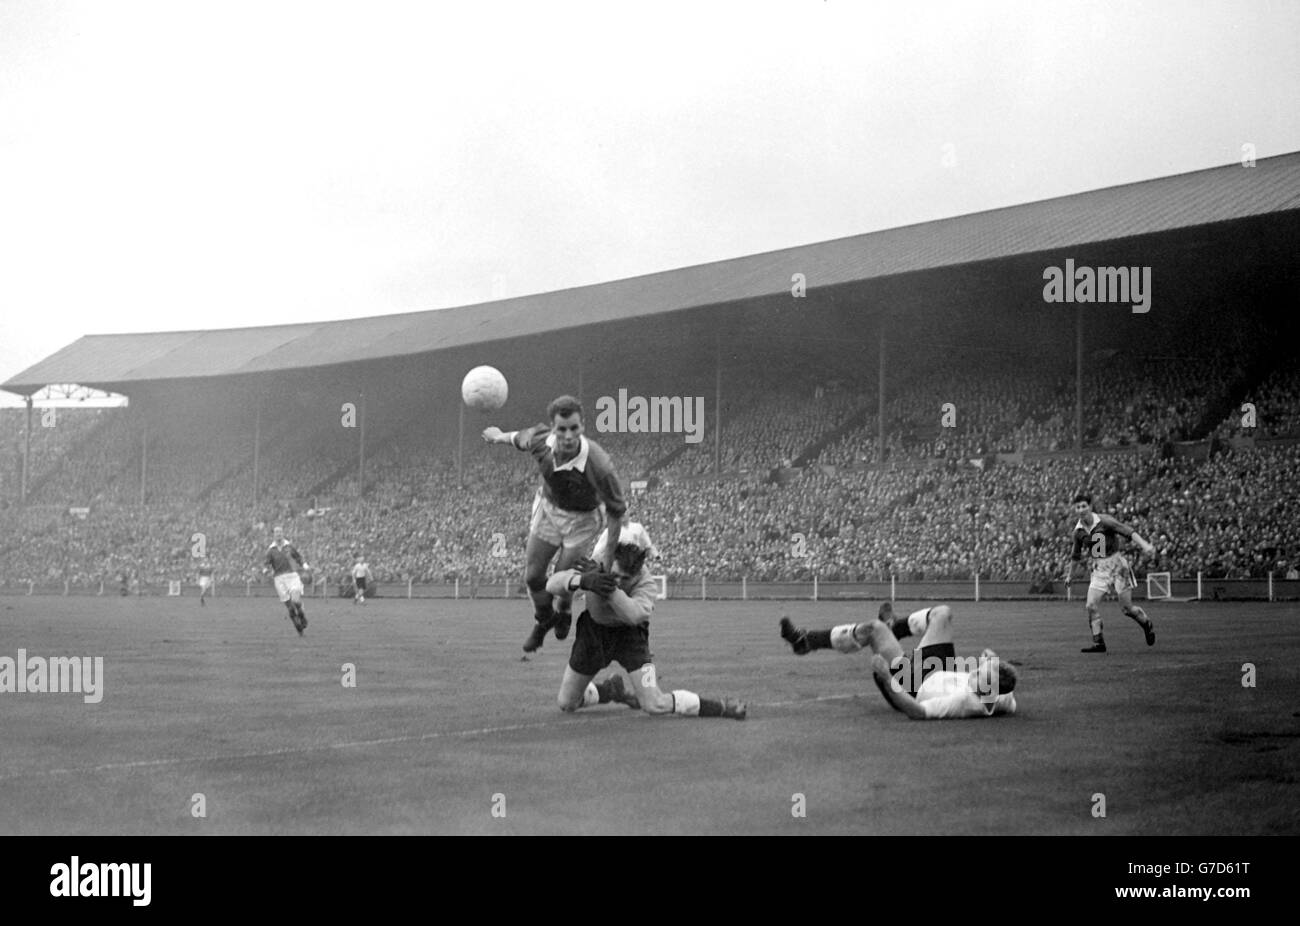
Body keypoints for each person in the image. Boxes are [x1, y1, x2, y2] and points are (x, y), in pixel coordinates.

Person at [549, 522, 747, 720]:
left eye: (624, 578)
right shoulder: (598, 564)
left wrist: (608, 587)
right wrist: (583, 581)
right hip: (592, 634)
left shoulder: (646, 583)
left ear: (638, 571)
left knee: (655, 703)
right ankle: (610, 691)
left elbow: (633, 616)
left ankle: (720, 707)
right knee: (567, 703)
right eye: (614, 575)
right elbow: (552, 584)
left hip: (633, 639)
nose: (618, 580)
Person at [482, 395, 629, 654]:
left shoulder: (598, 464)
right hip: (549, 510)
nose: (569, 435)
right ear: (552, 428)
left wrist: (607, 560)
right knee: (533, 577)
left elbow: (617, 512)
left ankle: (564, 610)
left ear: (583, 427)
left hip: (582, 522)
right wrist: (497, 436)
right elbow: (518, 437)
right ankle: (544, 620)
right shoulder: (540, 440)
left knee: (561, 580)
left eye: (575, 428)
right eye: (562, 429)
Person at [779, 602, 1017, 719]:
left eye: (980, 675)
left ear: (985, 690)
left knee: (874, 629)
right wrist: (992, 662)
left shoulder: (961, 702)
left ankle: (805, 641)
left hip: (912, 685)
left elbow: (918, 712)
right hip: (940, 669)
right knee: (942, 613)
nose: (975, 671)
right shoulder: (1002, 697)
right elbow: (1006, 692)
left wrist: (886, 677)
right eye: (980, 670)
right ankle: (897, 627)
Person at [1060, 492, 1156, 653]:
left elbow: (1127, 531)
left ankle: (1146, 623)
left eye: (1084, 506)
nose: (1081, 509)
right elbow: (1075, 556)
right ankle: (1099, 643)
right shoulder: (1078, 532)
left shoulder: (1104, 521)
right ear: (1074, 510)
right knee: (1090, 605)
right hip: (1099, 568)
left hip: (1118, 567)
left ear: (1090, 507)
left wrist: (1145, 545)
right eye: (1078, 507)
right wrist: (1070, 575)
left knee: (1127, 609)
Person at [263, 525, 311, 636]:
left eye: (280, 532)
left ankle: (302, 615)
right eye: (276, 532)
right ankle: (298, 626)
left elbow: (298, 557)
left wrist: (304, 565)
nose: (278, 534)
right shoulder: (271, 550)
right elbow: (266, 563)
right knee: (290, 608)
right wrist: (265, 570)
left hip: (292, 576)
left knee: (296, 600)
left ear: (283, 533)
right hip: (279, 579)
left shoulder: (289, 547)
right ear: (273, 535)